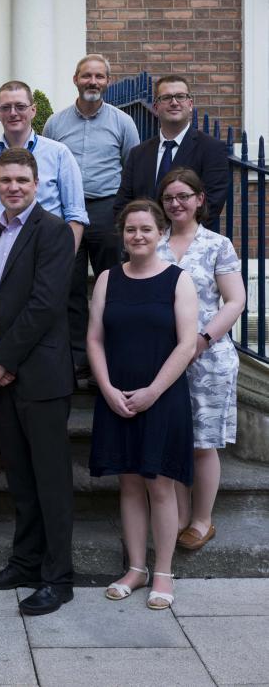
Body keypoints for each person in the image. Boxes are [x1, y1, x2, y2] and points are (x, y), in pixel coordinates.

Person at [0, 148, 77, 617]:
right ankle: (26, 562)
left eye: (21, 180)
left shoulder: (54, 232)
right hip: (2, 378)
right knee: (19, 478)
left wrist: (4, 358)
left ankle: (59, 578)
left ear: (37, 184)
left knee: (50, 481)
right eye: (5, 180)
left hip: (39, 376)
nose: (13, 187)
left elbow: (45, 303)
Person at [88, 199, 198, 610]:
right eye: (131, 229)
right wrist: (107, 389)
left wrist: (153, 390)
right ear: (123, 233)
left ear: (160, 233)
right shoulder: (107, 280)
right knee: (129, 483)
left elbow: (188, 343)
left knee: (160, 485)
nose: (138, 236)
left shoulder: (177, 280)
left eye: (146, 230)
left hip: (162, 397)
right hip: (117, 396)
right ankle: (136, 569)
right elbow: (95, 339)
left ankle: (164, 572)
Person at [157, 168, 245, 551]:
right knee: (172, 439)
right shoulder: (153, 242)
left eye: (183, 196)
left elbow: (236, 300)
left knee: (202, 443)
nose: (176, 203)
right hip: (162, 359)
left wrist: (204, 339)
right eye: (169, 198)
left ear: (199, 200)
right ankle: (175, 516)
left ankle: (202, 519)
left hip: (207, 358)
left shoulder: (216, 244)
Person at [43, 55, 139, 375]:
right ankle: (76, 358)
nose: (93, 82)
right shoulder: (56, 123)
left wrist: (126, 214)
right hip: (66, 212)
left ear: (107, 82)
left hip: (105, 209)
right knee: (68, 285)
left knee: (110, 284)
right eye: (87, 76)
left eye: (99, 77)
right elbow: (46, 168)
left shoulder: (122, 122)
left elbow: (132, 169)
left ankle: (110, 357)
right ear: (75, 79)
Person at [0, 79, 88, 259]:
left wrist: (63, 261)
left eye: (20, 106)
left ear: (33, 110)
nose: (13, 113)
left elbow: (75, 214)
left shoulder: (59, 154)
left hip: (46, 255)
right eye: (6, 108)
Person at [113, 75, 228, 230]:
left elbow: (212, 203)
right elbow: (123, 204)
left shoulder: (212, 149)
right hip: (145, 245)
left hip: (190, 246)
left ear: (190, 104)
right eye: (166, 97)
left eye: (180, 96)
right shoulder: (137, 154)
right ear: (155, 106)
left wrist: (176, 238)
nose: (174, 102)